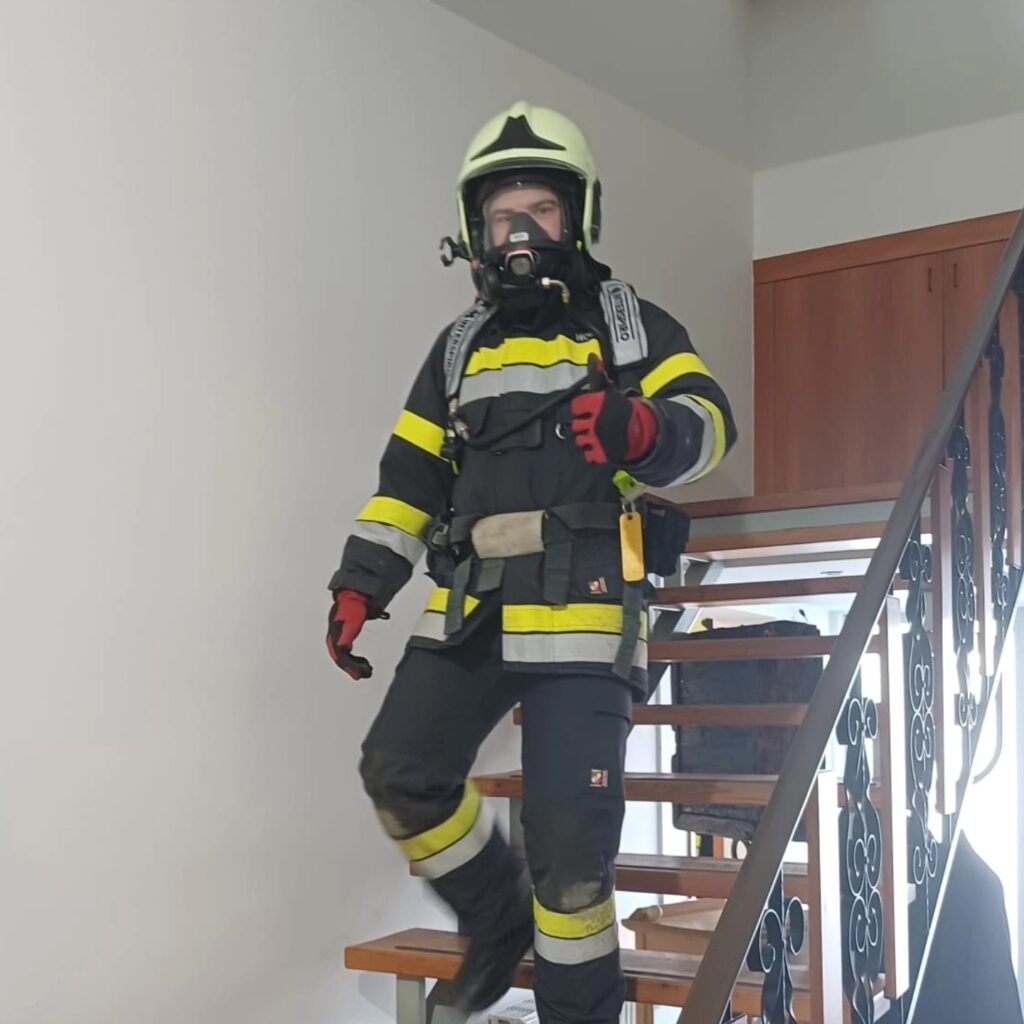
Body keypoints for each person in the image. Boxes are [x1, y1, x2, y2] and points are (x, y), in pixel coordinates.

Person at [326, 101, 737, 1024]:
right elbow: (408, 480)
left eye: (539, 210)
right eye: (502, 214)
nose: (519, 232)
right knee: (399, 769)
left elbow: (713, 424)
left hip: (585, 610)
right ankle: (495, 918)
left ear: (578, 217)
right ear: (474, 230)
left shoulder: (630, 328)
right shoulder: (458, 350)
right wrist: (361, 581)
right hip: (473, 603)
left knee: (570, 850)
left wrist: (646, 430)